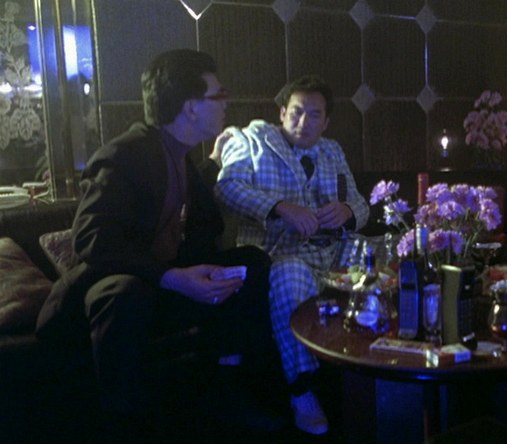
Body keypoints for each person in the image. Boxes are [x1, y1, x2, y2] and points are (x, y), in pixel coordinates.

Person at [34, 49, 278, 441]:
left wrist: (214, 166)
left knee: (251, 263)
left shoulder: (179, 155)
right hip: (107, 295)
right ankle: (124, 426)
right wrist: (173, 277)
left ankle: (229, 388)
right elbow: (92, 239)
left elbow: (190, 218)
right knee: (123, 293)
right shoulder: (124, 154)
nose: (226, 103)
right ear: (191, 107)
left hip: (158, 287)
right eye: (219, 95)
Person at [215, 74, 370, 435]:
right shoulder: (250, 140)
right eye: (297, 112)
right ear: (282, 112)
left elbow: (361, 205)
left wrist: (347, 211)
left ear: (326, 122)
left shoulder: (332, 150)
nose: (304, 122)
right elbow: (226, 188)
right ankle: (302, 390)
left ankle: (368, 374)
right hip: (277, 256)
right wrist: (279, 207)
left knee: (375, 253)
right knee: (291, 274)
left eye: (314, 115)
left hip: (332, 255)